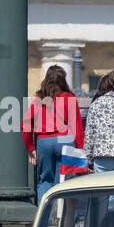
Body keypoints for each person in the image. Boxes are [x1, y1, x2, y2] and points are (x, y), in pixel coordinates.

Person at [22, 65, 85, 204]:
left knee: (45, 180)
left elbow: (26, 125)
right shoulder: (69, 97)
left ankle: (45, 216)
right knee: (67, 180)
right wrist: (81, 149)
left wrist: (30, 148)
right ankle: (63, 215)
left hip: (44, 141)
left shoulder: (39, 98)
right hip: (65, 139)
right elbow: (77, 127)